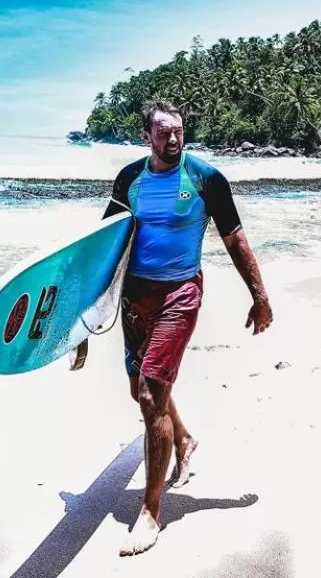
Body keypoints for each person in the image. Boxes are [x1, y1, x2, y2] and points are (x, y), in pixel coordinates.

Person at [89, 100, 273, 556]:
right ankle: (185, 441)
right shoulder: (129, 179)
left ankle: (151, 512)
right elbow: (106, 241)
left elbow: (235, 238)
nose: (173, 140)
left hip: (179, 294)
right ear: (147, 136)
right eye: (164, 133)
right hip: (135, 297)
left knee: (152, 394)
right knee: (141, 389)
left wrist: (260, 295)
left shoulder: (206, 178)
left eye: (179, 131)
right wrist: (81, 314)